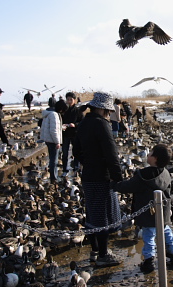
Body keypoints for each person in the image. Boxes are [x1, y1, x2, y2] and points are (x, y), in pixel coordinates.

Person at [73, 92, 123, 267]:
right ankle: (103, 255)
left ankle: (94, 251)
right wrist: (118, 178)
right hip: (102, 177)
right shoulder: (102, 125)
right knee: (104, 217)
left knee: (92, 213)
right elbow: (111, 154)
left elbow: (76, 151)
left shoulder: (84, 123)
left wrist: (89, 162)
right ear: (104, 109)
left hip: (88, 175)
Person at [113, 144, 173, 273]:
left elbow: (129, 186)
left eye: (151, 153)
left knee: (149, 236)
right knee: (165, 230)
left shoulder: (143, 176)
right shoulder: (166, 173)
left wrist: (115, 185)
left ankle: (149, 261)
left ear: (155, 158)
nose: (148, 154)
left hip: (148, 213)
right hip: (163, 212)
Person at [40, 100, 68, 183]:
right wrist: (57, 142)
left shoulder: (48, 113)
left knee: (52, 158)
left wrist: (62, 127)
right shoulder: (54, 115)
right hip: (52, 141)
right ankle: (54, 178)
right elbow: (53, 130)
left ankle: (53, 177)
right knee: (54, 160)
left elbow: (51, 127)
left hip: (48, 139)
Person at [61, 92, 83, 175]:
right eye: (68, 99)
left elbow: (82, 121)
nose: (69, 101)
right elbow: (60, 121)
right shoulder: (63, 111)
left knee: (76, 152)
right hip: (66, 134)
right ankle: (64, 170)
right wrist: (63, 125)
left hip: (75, 134)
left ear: (74, 100)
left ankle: (76, 169)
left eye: (71, 99)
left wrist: (75, 125)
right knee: (65, 153)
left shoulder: (78, 110)